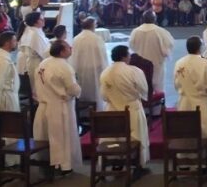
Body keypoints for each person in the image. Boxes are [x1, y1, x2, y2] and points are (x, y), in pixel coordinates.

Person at [34, 41, 83, 175]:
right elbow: (72, 88)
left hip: (43, 105)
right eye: (68, 47)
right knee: (62, 138)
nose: (71, 48)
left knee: (47, 137)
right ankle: (64, 165)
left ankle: (48, 163)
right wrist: (78, 90)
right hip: (59, 107)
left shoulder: (43, 64)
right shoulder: (64, 66)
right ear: (62, 51)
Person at [100, 45, 150, 173]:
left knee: (115, 138)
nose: (130, 57)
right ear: (124, 57)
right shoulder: (134, 71)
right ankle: (138, 164)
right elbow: (143, 90)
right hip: (132, 109)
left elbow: (104, 96)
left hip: (113, 111)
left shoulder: (105, 73)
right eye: (128, 55)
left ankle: (116, 163)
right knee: (135, 137)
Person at [174, 35, 207, 163]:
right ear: (200, 48)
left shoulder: (179, 63)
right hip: (201, 103)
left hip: (184, 102)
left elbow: (176, 84)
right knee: (203, 132)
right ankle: (202, 161)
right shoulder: (205, 63)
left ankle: (184, 159)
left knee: (185, 131)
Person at [129, 10, 174, 94]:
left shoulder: (135, 31)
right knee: (157, 86)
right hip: (156, 64)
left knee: (142, 86)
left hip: (140, 64)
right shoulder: (161, 31)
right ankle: (158, 100)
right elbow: (168, 46)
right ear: (155, 19)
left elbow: (132, 46)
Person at [71, 17, 108, 109]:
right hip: (94, 69)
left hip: (79, 68)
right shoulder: (97, 39)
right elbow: (102, 56)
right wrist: (105, 69)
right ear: (92, 26)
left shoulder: (76, 38)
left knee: (82, 89)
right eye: (95, 24)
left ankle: (82, 109)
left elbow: (73, 56)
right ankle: (96, 110)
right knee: (95, 91)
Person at [17, 11, 50, 98]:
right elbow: (45, 52)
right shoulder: (35, 34)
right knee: (39, 87)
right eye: (41, 19)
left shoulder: (32, 30)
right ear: (35, 22)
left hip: (32, 61)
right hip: (37, 63)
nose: (44, 20)